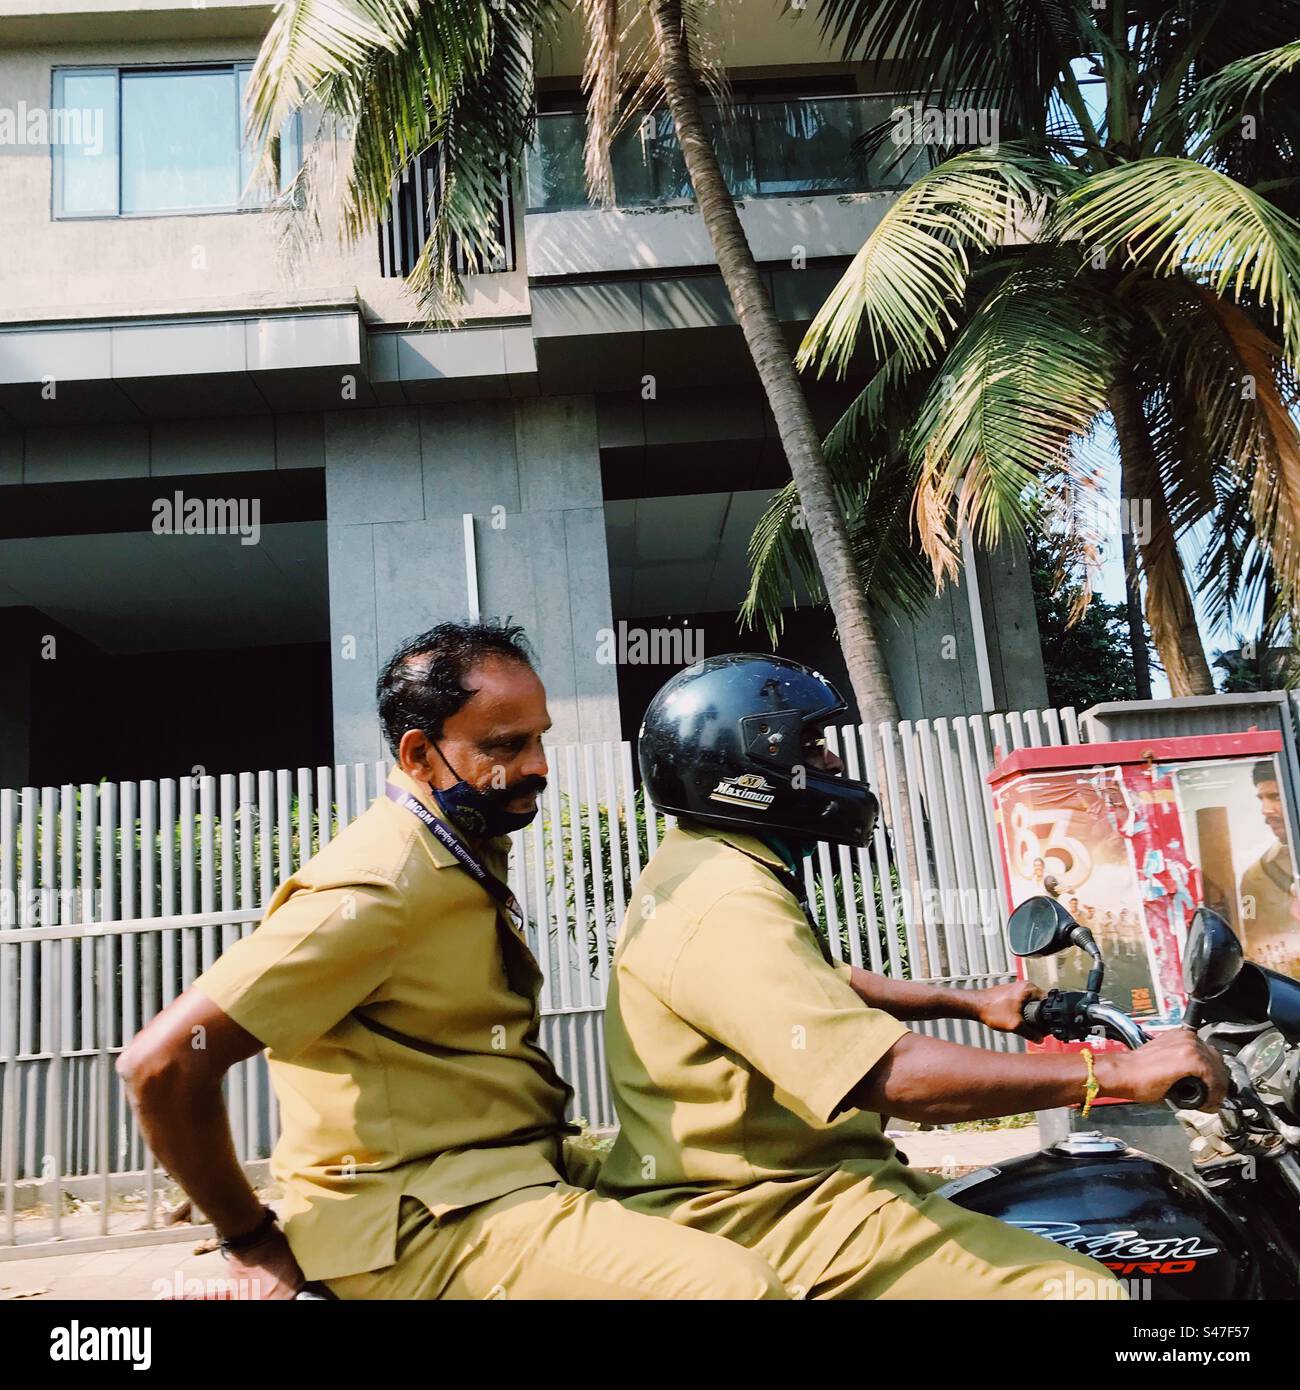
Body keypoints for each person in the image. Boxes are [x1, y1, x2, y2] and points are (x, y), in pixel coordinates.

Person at [117, 623, 785, 1301]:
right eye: (505, 746)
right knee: (736, 1289)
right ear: (419, 755)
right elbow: (162, 1063)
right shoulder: (373, 889)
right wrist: (251, 1241)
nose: (538, 765)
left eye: (539, 738)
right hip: (415, 1220)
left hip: (506, 1173)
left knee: (753, 1194)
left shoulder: (464, 839)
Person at [597, 653, 1230, 1300]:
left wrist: (970, 1002)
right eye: (811, 747)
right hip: (774, 1215)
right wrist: (1115, 1073)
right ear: (747, 768)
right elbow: (889, 1075)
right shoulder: (726, 902)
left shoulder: (710, 867)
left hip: (808, 1188)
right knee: (1077, 1287)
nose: (834, 765)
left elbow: (820, 982)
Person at [1239, 761, 1300, 974]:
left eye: (1274, 797)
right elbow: (1257, 953)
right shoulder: (1255, 877)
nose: (1266, 810)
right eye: (1261, 799)